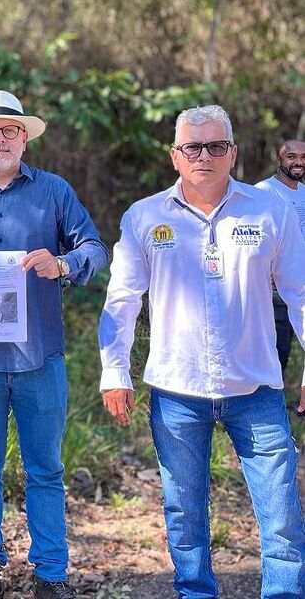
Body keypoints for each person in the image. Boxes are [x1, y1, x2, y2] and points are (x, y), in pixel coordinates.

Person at [100, 105, 305, 598]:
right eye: (193, 146)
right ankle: (195, 593)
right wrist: (114, 372)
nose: (204, 155)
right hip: (177, 392)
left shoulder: (270, 210)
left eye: (216, 146)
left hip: (255, 388)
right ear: (175, 156)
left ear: (232, 152)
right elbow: (122, 299)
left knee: (280, 514)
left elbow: (300, 293)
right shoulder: (145, 217)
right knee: (184, 512)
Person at [0, 90, 107, 599]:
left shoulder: (54, 191)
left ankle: (51, 572)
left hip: (40, 357)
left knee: (46, 469)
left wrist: (64, 265)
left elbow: (94, 248)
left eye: (9, 130)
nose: (0, 138)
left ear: (25, 137)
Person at [255, 139, 305, 373]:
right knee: (277, 351)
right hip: (277, 291)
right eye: (292, 156)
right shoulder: (264, 191)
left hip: (301, 286)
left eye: (303, 157)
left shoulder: (304, 192)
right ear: (279, 160)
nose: (299, 162)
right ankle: (268, 404)